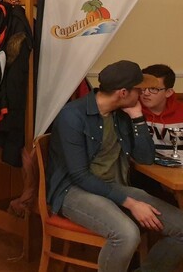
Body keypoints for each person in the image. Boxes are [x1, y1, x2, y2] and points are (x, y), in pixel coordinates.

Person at [46, 60, 183, 271]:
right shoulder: (72, 115)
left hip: (113, 186)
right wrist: (131, 203)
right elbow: (80, 176)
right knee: (126, 235)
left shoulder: (123, 113)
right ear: (123, 92)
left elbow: (145, 158)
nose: (143, 93)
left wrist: (138, 118)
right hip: (73, 190)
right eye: (139, 89)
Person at [140, 64, 183, 151]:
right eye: (143, 88)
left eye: (153, 89)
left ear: (168, 92)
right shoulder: (130, 110)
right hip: (141, 163)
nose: (146, 93)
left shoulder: (181, 112)